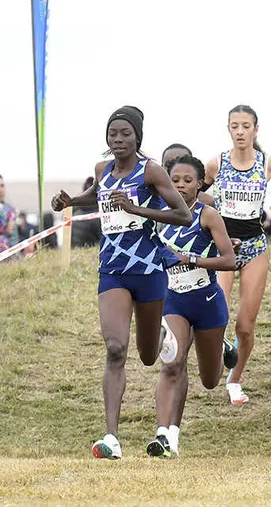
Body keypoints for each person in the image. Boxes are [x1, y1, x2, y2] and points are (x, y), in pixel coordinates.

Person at [50, 106, 191, 459]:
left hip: (148, 271)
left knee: (146, 356)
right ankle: (111, 437)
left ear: (137, 137)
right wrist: (71, 202)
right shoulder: (103, 170)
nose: (118, 139)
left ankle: (160, 333)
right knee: (115, 348)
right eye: (113, 133)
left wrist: (137, 209)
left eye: (125, 133)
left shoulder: (151, 172)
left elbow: (183, 215)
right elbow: (98, 195)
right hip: (112, 270)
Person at [147, 155, 238, 458]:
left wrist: (194, 260)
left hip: (208, 302)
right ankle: (164, 435)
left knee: (210, 381)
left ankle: (223, 348)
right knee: (173, 362)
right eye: (175, 180)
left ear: (200, 184)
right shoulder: (158, 216)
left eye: (188, 180)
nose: (181, 185)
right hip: (174, 301)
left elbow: (229, 260)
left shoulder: (208, 215)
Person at [204, 104, 271, 405]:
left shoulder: (269, 164)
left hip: (255, 247)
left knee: (245, 324)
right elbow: (189, 196)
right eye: (234, 126)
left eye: (246, 126)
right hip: (223, 248)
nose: (240, 131)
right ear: (228, 129)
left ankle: (235, 379)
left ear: (256, 129)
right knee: (218, 314)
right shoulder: (216, 163)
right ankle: (219, 354)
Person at [0, 174, 18, 253]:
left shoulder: (10, 209)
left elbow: (13, 234)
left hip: (10, 254)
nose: (1, 189)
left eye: (2, 186)